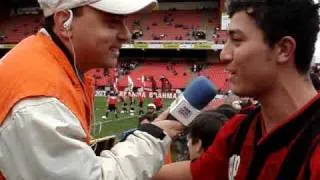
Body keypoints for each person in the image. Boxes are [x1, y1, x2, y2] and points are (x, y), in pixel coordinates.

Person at [0, 0, 184, 179]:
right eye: (112, 21)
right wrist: (151, 139)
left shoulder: (48, 67)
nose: (126, 34)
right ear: (65, 21)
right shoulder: (39, 100)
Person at [153, 0, 320, 179]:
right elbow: (191, 174)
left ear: (283, 49)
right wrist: (140, 147)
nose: (224, 54)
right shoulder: (238, 131)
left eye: (237, 40)